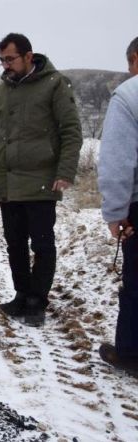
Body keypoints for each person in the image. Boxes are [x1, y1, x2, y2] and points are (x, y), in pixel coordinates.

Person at [0, 33, 82, 327]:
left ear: (28, 55)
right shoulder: (0, 92)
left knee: (42, 244)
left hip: (41, 180)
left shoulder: (54, 84)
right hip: (7, 182)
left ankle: (38, 300)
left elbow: (71, 131)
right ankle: (22, 294)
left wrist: (65, 171)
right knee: (14, 243)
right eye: (2, 60)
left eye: (10, 59)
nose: (5, 65)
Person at [96, 36, 138, 375]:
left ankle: (131, 352)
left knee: (137, 280)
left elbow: (117, 161)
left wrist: (116, 212)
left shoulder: (129, 95)